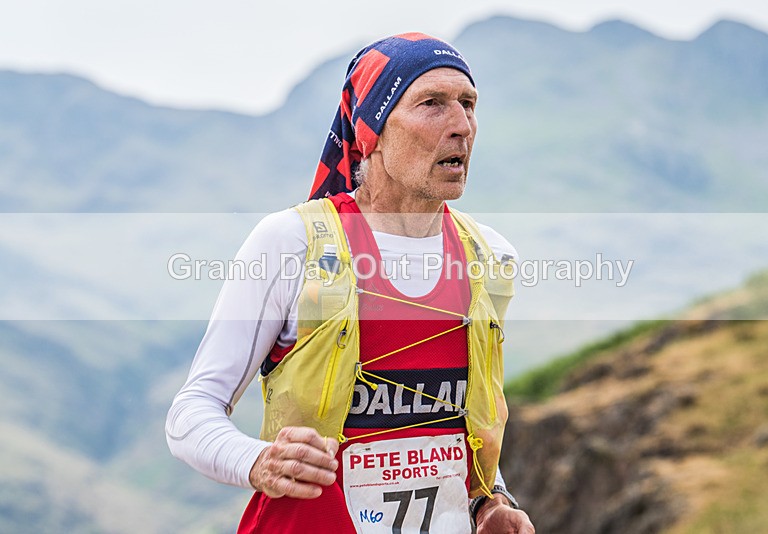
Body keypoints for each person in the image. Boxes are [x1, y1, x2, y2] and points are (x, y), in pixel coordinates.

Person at [166, 32, 535, 533]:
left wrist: (489, 502)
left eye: (468, 104)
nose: (461, 126)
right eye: (432, 104)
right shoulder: (292, 242)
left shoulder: (490, 255)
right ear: (371, 130)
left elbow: (456, 432)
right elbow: (190, 413)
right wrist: (257, 461)